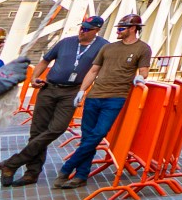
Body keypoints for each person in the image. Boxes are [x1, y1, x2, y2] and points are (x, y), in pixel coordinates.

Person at [0, 15, 106, 188]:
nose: (82, 31)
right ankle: (31, 174)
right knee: (37, 132)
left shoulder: (103, 46)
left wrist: (84, 91)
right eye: (82, 27)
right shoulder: (66, 42)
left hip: (71, 91)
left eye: (87, 29)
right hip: (48, 88)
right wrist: (34, 77)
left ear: (97, 30)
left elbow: (99, 70)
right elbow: (45, 60)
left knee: (57, 128)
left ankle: (11, 163)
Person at [54, 13, 151, 190]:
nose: (118, 31)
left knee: (98, 134)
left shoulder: (142, 49)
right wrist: (82, 91)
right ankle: (81, 175)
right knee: (87, 136)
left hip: (116, 97)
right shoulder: (108, 48)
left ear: (132, 29)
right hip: (94, 96)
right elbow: (93, 71)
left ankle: (67, 168)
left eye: (121, 28)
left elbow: (144, 70)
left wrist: (140, 78)